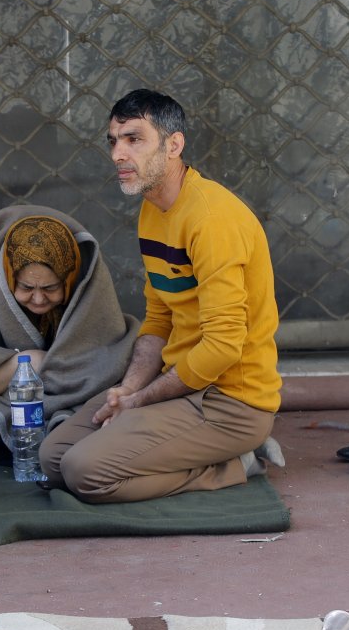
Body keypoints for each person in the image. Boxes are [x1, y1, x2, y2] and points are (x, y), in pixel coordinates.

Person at [38, 89, 284, 503]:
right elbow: (159, 319)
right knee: (52, 459)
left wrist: (142, 400)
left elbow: (223, 347)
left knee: (85, 474)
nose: (118, 153)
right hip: (179, 388)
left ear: (174, 145)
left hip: (229, 405)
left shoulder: (211, 219)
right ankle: (174, 443)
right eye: (113, 141)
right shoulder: (153, 209)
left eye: (134, 139)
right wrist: (127, 391)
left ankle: (233, 464)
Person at [0, 206, 138, 467]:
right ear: (7, 278)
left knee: (103, 425)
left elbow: (96, 371)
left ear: (68, 280)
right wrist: (22, 364)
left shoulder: (88, 303)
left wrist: (41, 372)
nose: (37, 299)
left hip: (63, 406)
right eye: (25, 287)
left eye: (51, 288)